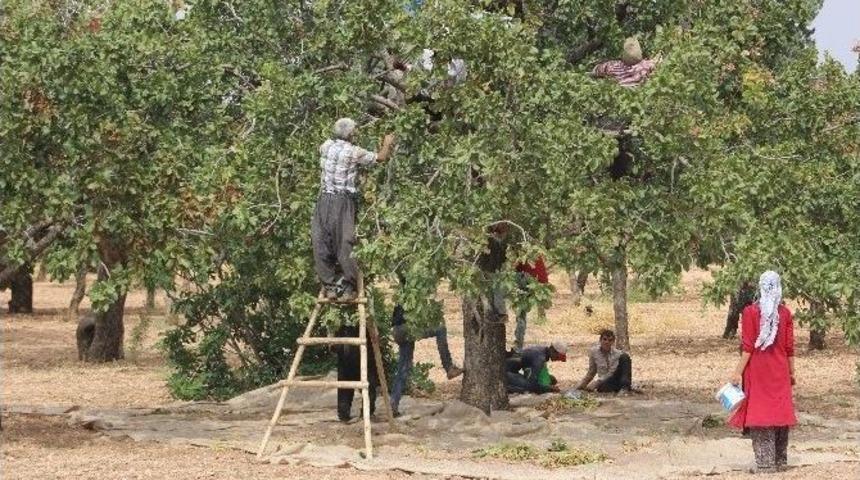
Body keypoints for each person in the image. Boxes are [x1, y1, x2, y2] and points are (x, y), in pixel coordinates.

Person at [311, 118, 395, 302]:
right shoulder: (354, 152)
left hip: (324, 199)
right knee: (344, 242)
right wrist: (387, 143)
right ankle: (349, 286)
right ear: (350, 134)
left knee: (320, 241)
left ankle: (330, 285)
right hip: (342, 200)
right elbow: (380, 158)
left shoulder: (325, 146)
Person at [728, 271, 796, 473]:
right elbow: (790, 348)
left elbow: (748, 347)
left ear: (760, 287)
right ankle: (780, 460)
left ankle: (765, 463)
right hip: (780, 370)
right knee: (779, 412)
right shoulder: (785, 314)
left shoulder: (750, 312)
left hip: (757, 371)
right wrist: (792, 373)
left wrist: (737, 372)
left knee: (760, 413)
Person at [389, 305, 464, 416]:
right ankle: (448, 367)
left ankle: (393, 404)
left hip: (398, 331)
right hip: (406, 329)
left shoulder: (404, 292)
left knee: (404, 368)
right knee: (440, 328)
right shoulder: (417, 291)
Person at [334, 324, 379, 422]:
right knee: (369, 382)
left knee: (345, 383)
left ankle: (343, 413)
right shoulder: (364, 318)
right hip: (361, 350)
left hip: (345, 349)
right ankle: (367, 412)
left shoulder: (341, 318)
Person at [576, 329, 636, 394]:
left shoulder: (617, 354)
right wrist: (581, 385)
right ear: (600, 340)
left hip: (616, 378)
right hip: (606, 383)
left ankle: (625, 388)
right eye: (604, 339)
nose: (607, 342)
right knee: (601, 387)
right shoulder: (594, 352)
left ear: (613, 342)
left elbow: (612, 372)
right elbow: (591, 371)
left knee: (625, 356)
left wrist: (597, 382)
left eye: (610, 340)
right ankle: (619, 389)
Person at [513, 257, 549, 353]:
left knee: (521, 315)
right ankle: (518, 346)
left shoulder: (524, 252)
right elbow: (542, 274)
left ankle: (518, 346)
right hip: (529, 282)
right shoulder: (533, 253)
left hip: (525, 282)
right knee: (521, 316)